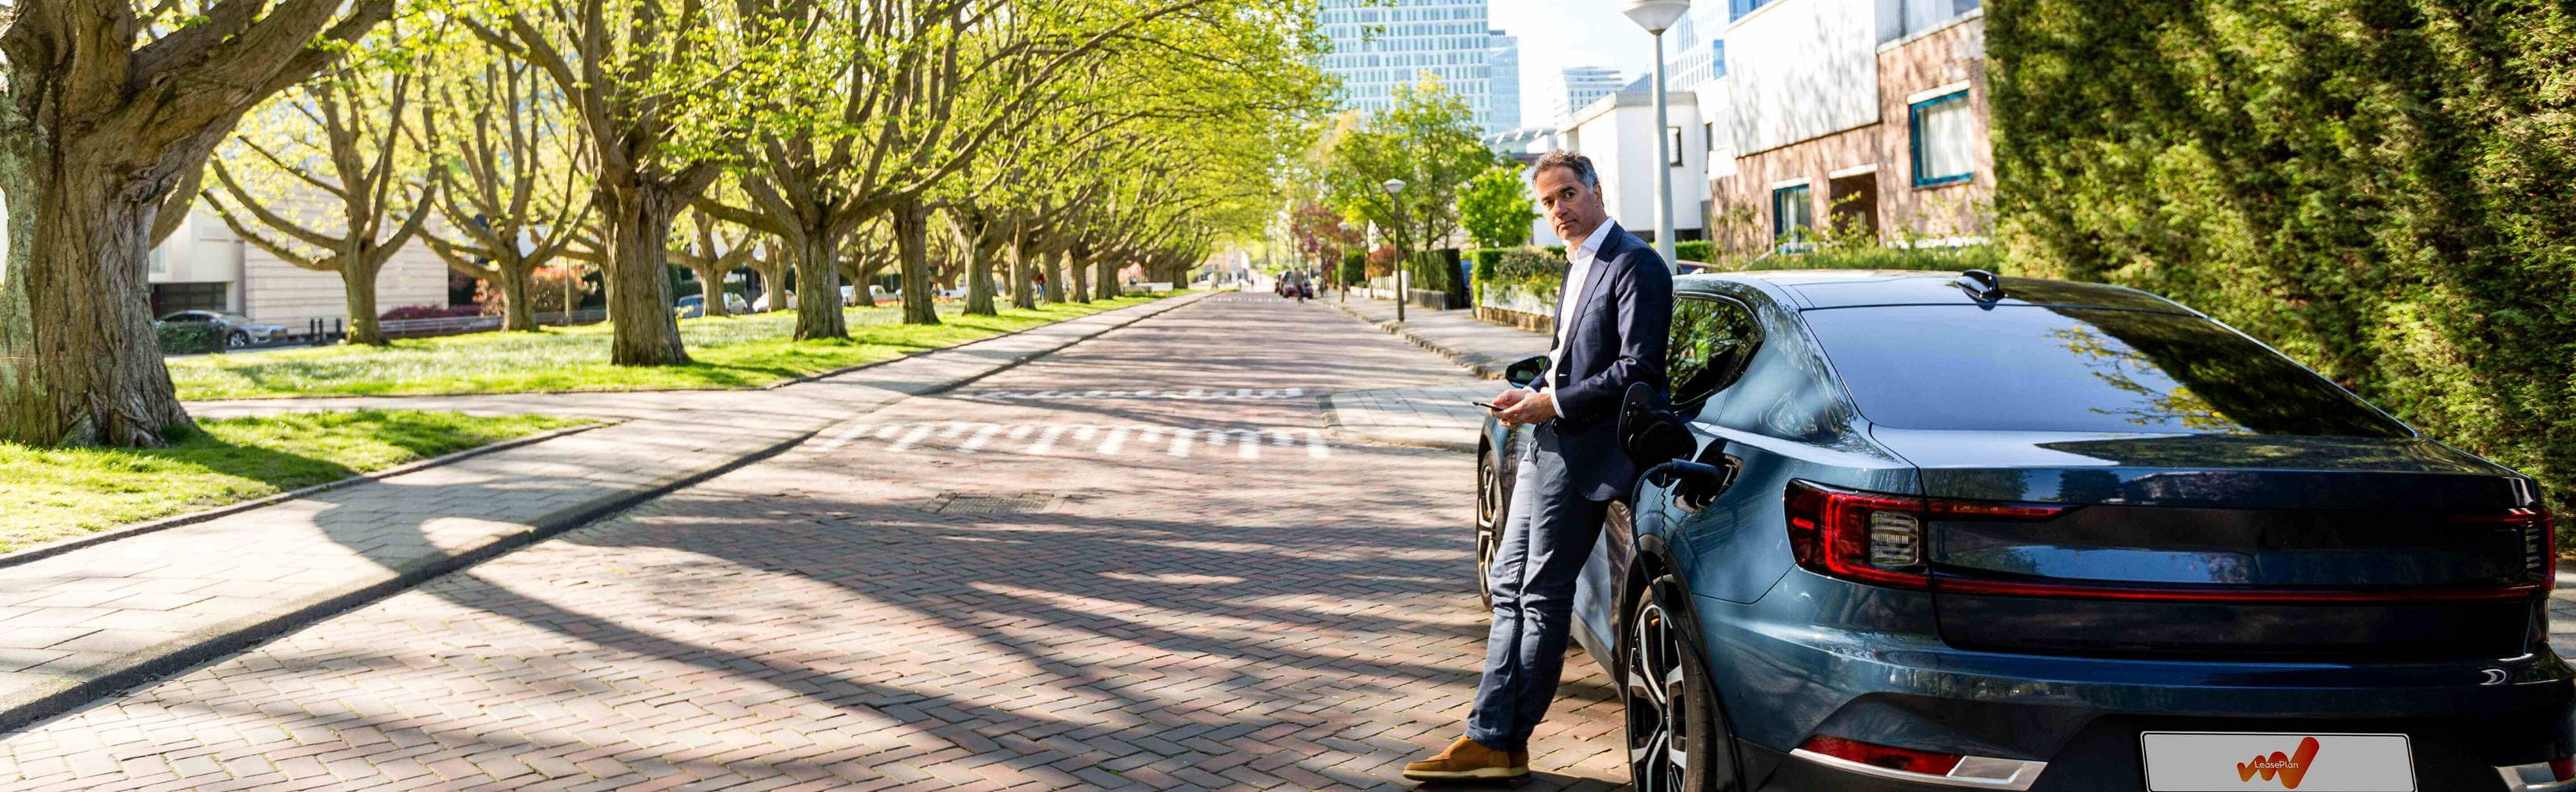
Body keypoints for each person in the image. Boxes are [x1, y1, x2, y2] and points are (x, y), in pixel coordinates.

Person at [1402, 150, 1673, 782]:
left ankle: (1497, 736)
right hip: (1542, 441)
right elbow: (1564, 359)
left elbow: (1639, 368)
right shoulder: (1577, 265)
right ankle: (1495, 737)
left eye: (1569, 194)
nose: (1560, 210)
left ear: (1597, 190)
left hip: (1582, 450)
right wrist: (1530, 396)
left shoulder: (1635, 264)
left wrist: (1551, 400)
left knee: (1540, 597)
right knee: (1508, 587)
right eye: (1549, 201)